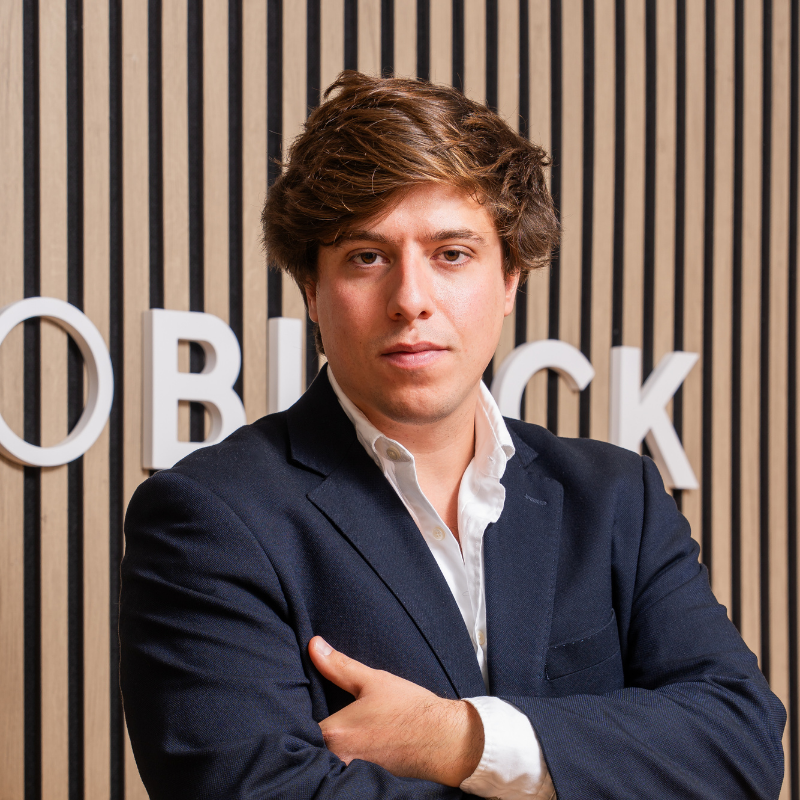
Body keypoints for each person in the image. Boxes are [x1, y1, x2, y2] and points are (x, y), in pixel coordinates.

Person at [120, 72, 785, 800]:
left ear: (511, 278)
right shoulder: (209, 518)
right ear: (311, 287)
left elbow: (739, 745)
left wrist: (459, 737)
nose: (411, 300)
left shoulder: (618, 497)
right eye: (367, 256)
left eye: (452, 254)